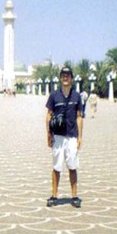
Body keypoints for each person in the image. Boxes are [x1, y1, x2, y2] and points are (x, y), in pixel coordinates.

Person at [45, 67, 84, 208]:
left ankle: (74, 196)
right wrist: (48, 134)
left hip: (72, 137)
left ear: (72, 79)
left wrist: (80, 137)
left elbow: (79, 117)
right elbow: (49, 115)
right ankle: (54, 196)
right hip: (58, 137)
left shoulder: (77, 96)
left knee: (72, 166)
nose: (65, 78)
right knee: (57, 167)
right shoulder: (54, 95)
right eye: (63, 75)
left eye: (68, 75)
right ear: (60, 78)